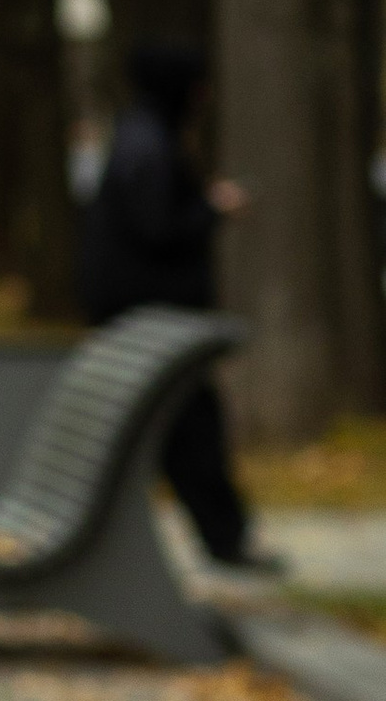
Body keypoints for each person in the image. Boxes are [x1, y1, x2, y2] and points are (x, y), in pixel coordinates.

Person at [80, 38, 272, 572]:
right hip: (157, 320)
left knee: (189, 427)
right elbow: (157, 228)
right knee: (193, 427)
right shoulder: (150, 145)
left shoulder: (138, 135)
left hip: (149, 320)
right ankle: (226, 538)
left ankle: (226, 535)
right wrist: (212, 209)